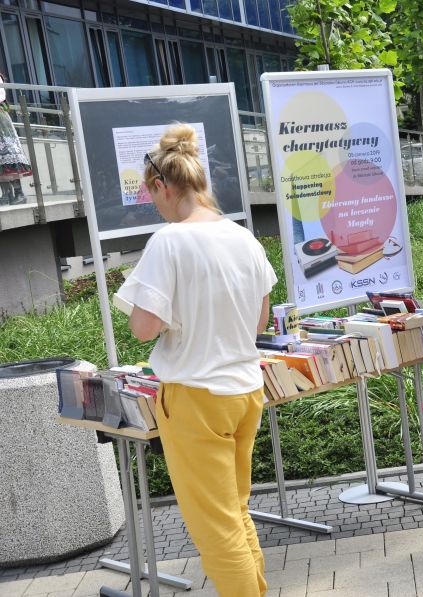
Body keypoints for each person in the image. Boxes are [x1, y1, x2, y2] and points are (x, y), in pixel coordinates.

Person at [116, 124, 276, 596]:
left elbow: (143, 328)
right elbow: (259, 321)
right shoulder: (244, 239)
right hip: (244, 390)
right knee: (234, 511)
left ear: (164, 186)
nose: (155, 204)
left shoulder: (170, 241)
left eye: (153, 195)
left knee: (215, 528)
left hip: (194, 397)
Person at [0, 73, 32, 206]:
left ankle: (19, 193)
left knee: (8, 154)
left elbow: (1, 96)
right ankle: (6, 194)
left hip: (1, 120)